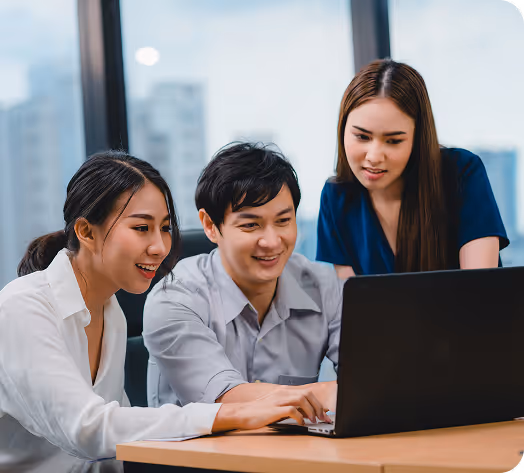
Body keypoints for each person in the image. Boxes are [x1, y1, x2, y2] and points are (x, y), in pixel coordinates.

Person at [0, 151, 314, 473]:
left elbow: (114, 443)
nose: (160, 247)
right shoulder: (22, 309)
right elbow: (88, 429)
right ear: (86, 232)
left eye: (164, 228)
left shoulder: (110, 312)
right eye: (141, 228)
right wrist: (237, 413)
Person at [143, 142, 341, 419]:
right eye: (250, 225)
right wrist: (332, 393)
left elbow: (372, 377)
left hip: (296, 455)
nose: (272, 242)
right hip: (197, 459)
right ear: (211, 226)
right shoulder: (175, 298)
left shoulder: (323, 285)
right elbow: (226, 398)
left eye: (284, 221)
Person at [316, 59, 509, 278]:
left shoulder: (461, 173)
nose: (374, 157)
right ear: (343, 129)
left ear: (418, 139)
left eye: (393, 141)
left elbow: (480, 290)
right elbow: (356, 302)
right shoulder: (336, 198)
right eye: (362, 136)